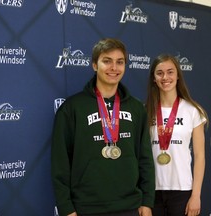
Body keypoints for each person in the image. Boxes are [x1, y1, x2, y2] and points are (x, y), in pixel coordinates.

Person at [51, 38, 155, 216]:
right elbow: (60, 163)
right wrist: (66, 208)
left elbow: (145, 158)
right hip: (86, 208)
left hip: (130, 206)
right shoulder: (72, 108)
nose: (114, 68)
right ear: (94, 65)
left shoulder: (136, 108)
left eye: (120, 62)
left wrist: (147, 201)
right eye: (107, 61)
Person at [145, 54, 208, 216]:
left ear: (178, 75)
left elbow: (200, 156)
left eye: (170, 72)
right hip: (152, 191)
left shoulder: (193, 110)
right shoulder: (145, 110)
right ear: (154, 78)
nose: (165, 77)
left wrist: (196, 195)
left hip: (182, 190)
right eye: (159, 73)